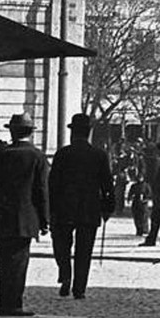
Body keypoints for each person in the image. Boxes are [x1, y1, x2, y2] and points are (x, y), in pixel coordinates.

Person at [0, 113, 49, 317]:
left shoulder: (2, 156)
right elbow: (42, 190)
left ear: (12, 132)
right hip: (26, 218)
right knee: (19, 263)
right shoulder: (37, 156)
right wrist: (44, 219)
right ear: (31, 132)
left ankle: (4, 303)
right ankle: (14, 304)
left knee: (4, 261)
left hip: (2, 217)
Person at [49, 113, 114, 300]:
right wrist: (108, 208)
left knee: (61, 246)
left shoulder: (62, 154)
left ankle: (65, 274)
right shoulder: (99, 155)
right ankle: (79, 288)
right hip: (89, 209)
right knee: (84, 251)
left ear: (73, 133)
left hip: (64, 209)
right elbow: (107, 185)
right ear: (88, 132)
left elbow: (53, 184)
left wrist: (50, 209)